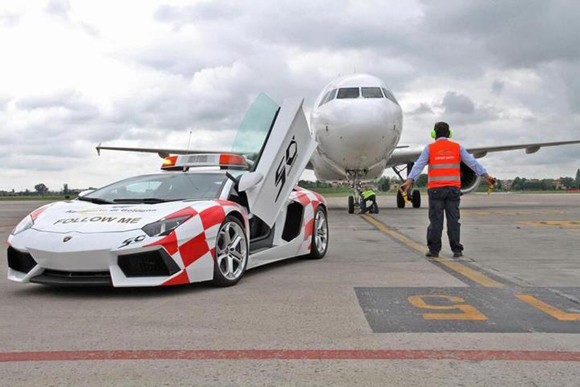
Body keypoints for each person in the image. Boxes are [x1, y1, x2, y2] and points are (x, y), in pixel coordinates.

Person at [400, 122, 496, 258]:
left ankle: (434, 251)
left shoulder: (430, 149)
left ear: (433, 134)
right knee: (453, 221)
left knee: (436, 221)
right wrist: (486, 176)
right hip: (453, 190)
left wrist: (409, 181)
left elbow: (418, 166)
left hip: (436, 190)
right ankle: (456, 249)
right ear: (449, 133)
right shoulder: (457, 148)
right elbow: (472, 163)